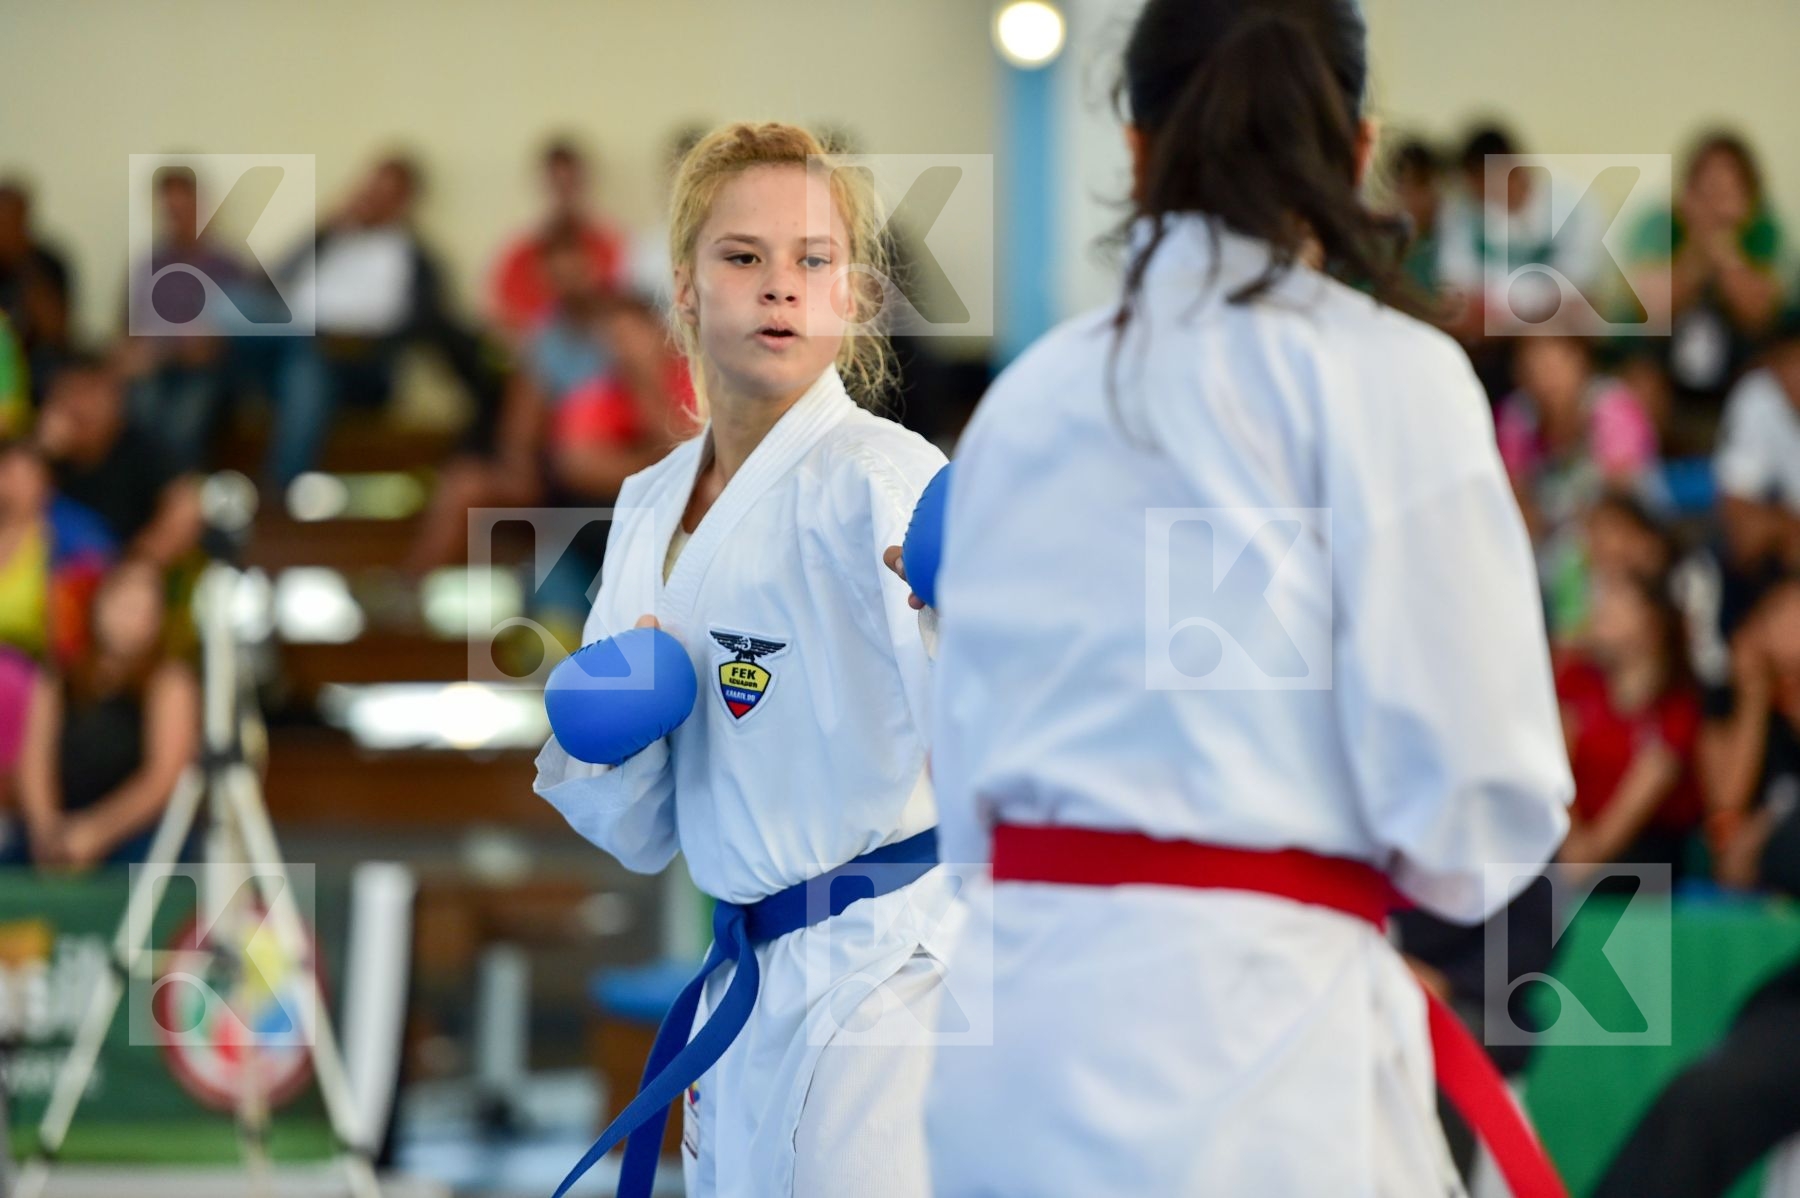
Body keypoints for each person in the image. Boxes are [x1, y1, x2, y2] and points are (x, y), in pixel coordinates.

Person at [917, 2, 1573, 1195]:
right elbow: (1482, 815)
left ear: (1135, 151)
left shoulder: (1022, 401)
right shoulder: (1395, 376)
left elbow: (963, 790)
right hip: (1262, 1068)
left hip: (1012, 1046)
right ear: (1361, 151)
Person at [533, 122, 951, 1198]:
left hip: (888, 969)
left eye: (814, 260)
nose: (781, 288)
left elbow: (989, 743)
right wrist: (611, 728)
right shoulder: (645, 508)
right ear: (686, 286)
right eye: (744, 257)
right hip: (746, 978)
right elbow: (638, 828)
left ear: (853, 294)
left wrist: (976, 617)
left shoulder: (886, 479)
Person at [8, 561, 198, 869]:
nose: (129, 615)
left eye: (141, 606)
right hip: (61, 826)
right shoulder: (58, 679)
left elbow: (163, 780)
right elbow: (33, 762)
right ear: (98, 603)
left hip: (136, 830)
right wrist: (46, 831)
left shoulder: (169, 683)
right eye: (122, 600)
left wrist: (96, 834)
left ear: (157, 619)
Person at [1554, 569, 1705, 883]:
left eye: (1618, 601)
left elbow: (1634, 808)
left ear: (1653, 623)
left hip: (1636, 849)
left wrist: (1581, 860)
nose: (1600, 609)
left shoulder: (1675, 710)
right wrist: (1571, 849)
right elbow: (1556, 770)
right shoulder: (1575, 681)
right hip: (1567, 835)